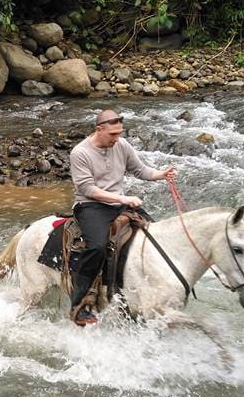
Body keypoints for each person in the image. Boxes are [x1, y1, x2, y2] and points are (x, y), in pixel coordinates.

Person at [68, 109, 176, 326]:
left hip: (118, 203)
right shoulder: (79, 153)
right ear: (99, 129)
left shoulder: (121, 145)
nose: (117, 138)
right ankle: (78, 303)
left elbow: (140, 170)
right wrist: (123, 199)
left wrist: (161, 174)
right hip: (91, 205)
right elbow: (89, 190)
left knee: (155, 234)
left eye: (119, 133)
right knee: (97, 247)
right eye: (113, 134)